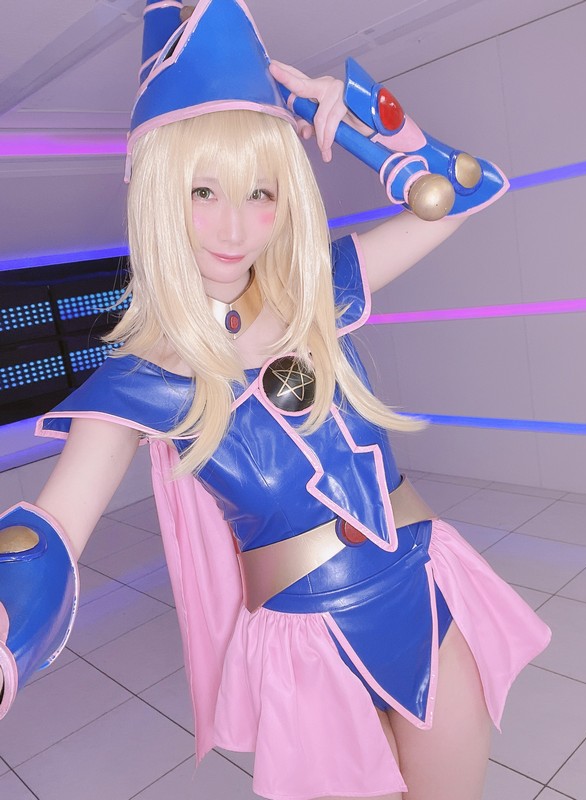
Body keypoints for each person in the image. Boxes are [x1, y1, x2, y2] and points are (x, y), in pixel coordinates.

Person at [0, 2, 550, 799]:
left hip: (425, 590)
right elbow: (49, 532)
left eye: (260, 191)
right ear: (157, 194)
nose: (235, 228)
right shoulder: (140, 378)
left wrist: (368, 124)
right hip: (308, 649)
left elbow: (465, 193)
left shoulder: (317, 292)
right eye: (203, 191)